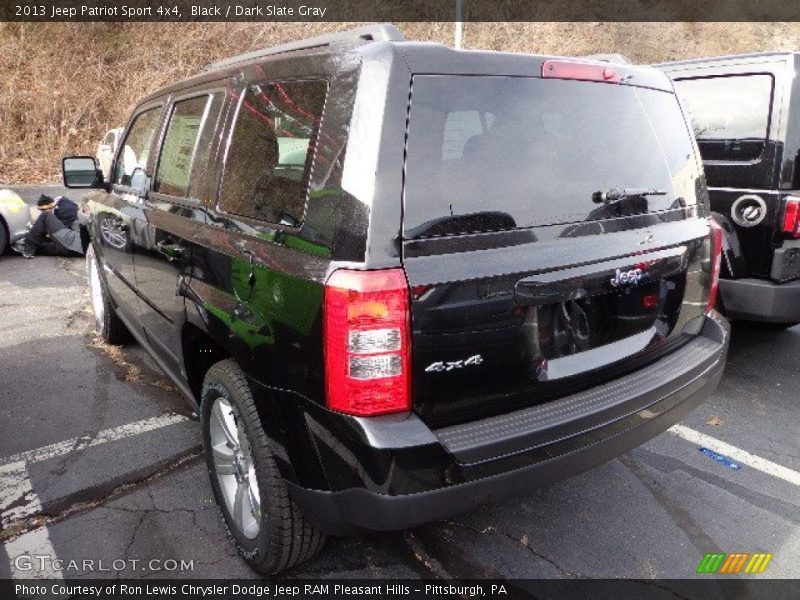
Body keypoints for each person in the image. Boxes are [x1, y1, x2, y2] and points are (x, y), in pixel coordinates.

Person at [12, 194, 84, 259]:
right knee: (38, 246)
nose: (42, 212)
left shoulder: (67, 209)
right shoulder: (61, 209)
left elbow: (58, 232)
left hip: (73, 243)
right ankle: (15, 247)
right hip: (74, 250)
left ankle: (28, 245)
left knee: (45, 216)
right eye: (41, 210)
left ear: (54, 206)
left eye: (44, 209)